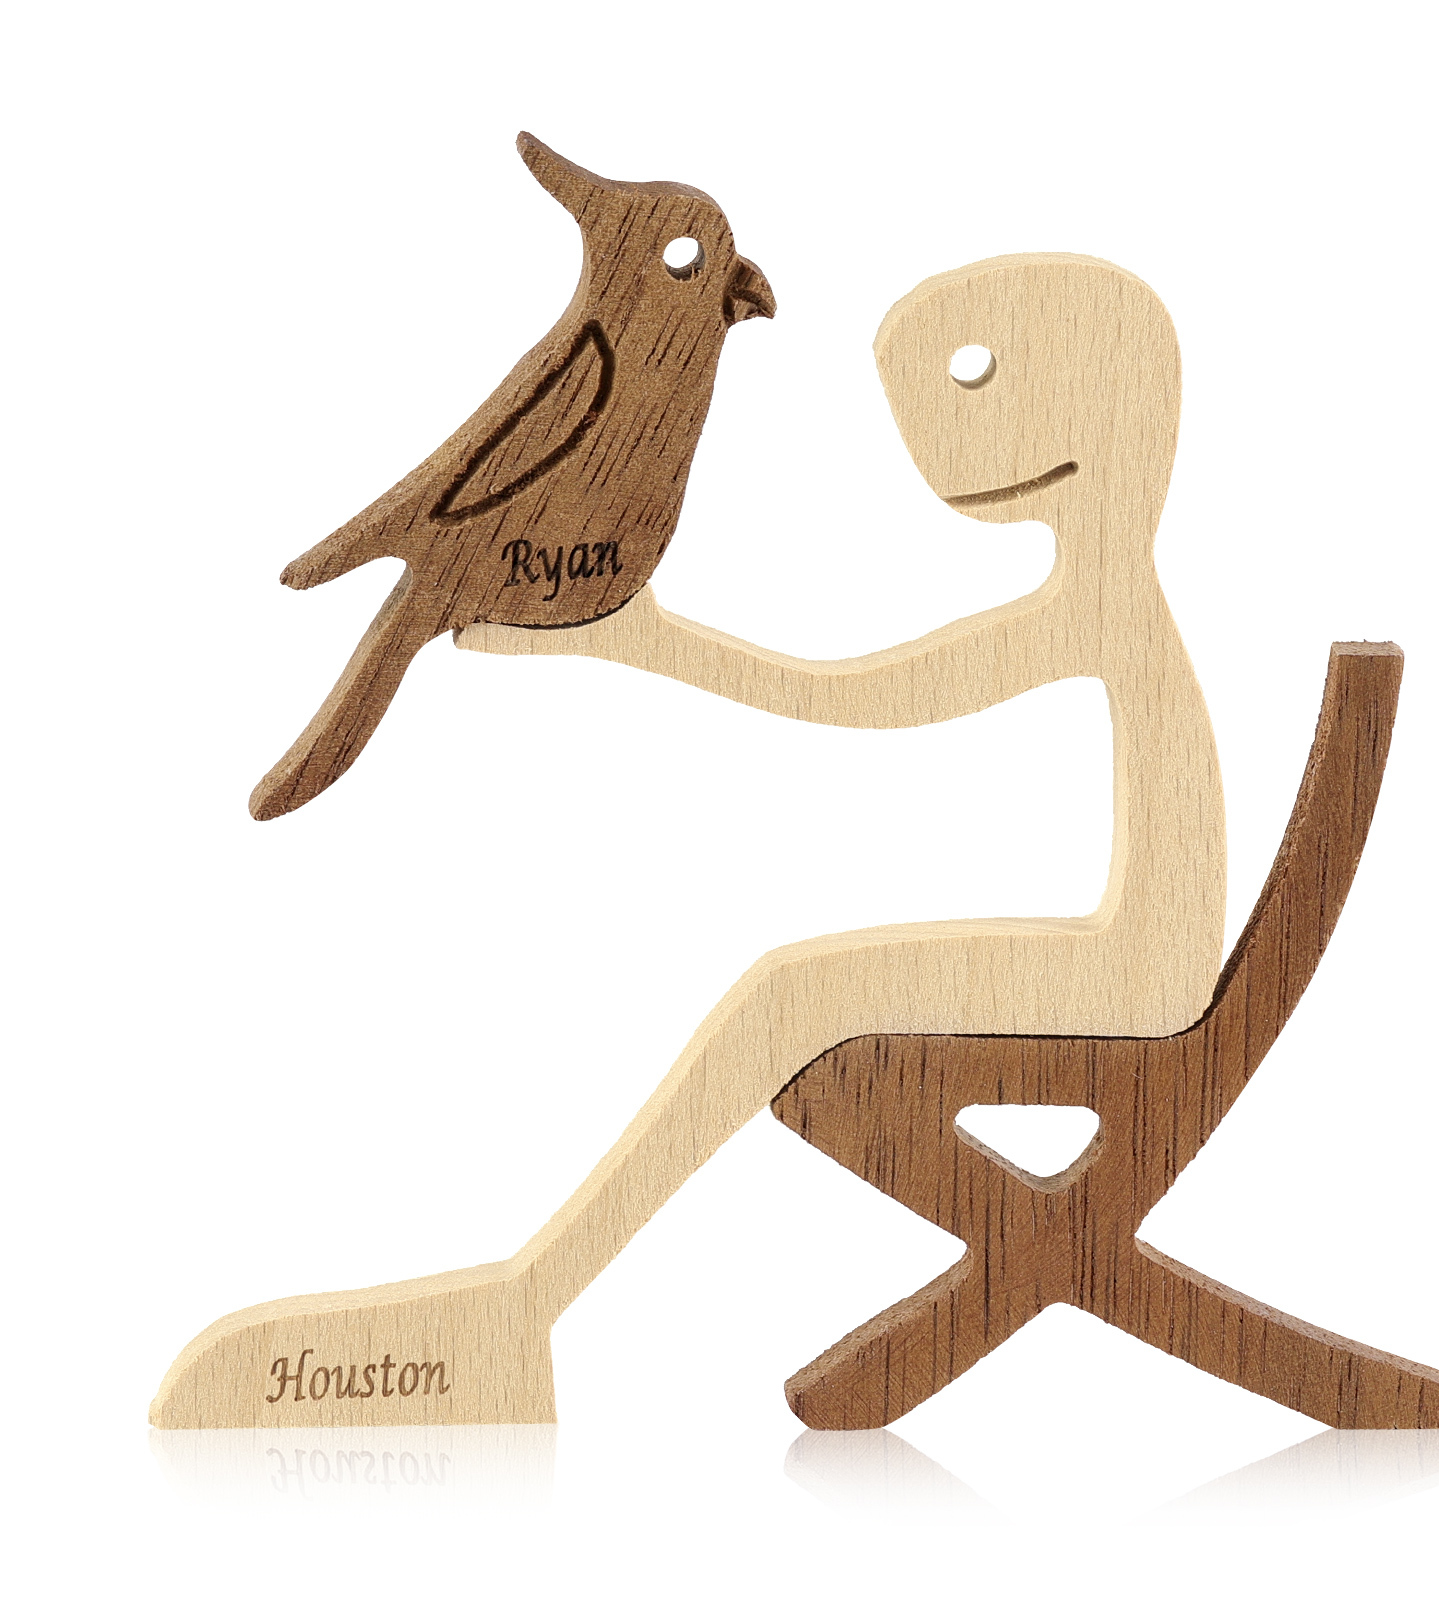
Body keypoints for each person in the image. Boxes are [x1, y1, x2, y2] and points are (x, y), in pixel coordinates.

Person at [152, 253, 1227, 1427]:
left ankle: (527, 1303)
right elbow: (862, 694)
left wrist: (649, 644)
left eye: (984, 383)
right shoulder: (1101, 607)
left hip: (1141, 970)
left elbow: (856, 698)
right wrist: (634, 643)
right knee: (785, 992)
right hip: (1137, 951)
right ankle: (523, 1301)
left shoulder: (1102, 609)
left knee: (785, 995)